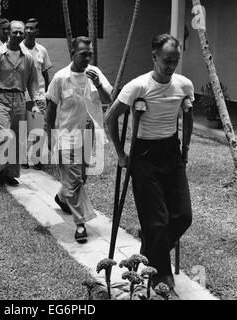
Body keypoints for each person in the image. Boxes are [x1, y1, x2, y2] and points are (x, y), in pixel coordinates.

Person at [106, 34, 194, 298]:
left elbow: (188, 117)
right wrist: (121, 154)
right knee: (157, 222)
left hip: (171, 151)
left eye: (175, 61)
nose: (171, 66)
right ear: (154, 57)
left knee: (183, 216)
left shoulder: (184, 85)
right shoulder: (138, 87)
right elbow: (110, 117)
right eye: (167, 60)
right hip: (143, 155)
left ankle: (146, 252)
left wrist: (185, 150)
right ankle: (161, 274)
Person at [46, 36, 113, 244]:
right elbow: (51, 109)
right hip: (67, 134)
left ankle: (61, 196)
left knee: (80, 177)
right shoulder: (60, 77)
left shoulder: (96, 74)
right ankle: (81, 224)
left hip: (88, 133)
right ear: (73, 54)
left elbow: (108, 100)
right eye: (83, 54)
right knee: (74, 179)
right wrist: (49, 135)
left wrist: (99, 84)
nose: (87, 58)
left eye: (89, 54)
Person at [0, 20, 39, 187]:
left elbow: (33, 82)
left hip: (19, 99)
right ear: (8, 33)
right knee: (4, 135)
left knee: (17, 139)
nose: (18, 35)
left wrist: (35, 103)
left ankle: (10, 174)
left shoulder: (28, 58)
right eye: (15, 32)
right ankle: (0, 171)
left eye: (21, 32)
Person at [20, 18, 52, 170]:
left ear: (37, 31)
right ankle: (22, 157)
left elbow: (45, 74)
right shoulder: (18, 49)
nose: (28, 31)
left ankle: (37, 157)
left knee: (39, 126)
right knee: (24, 126)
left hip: (39, 94)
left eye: (32, 28)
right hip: (22, 93)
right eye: (26, 28)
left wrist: (47, 93)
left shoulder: (42, 50)